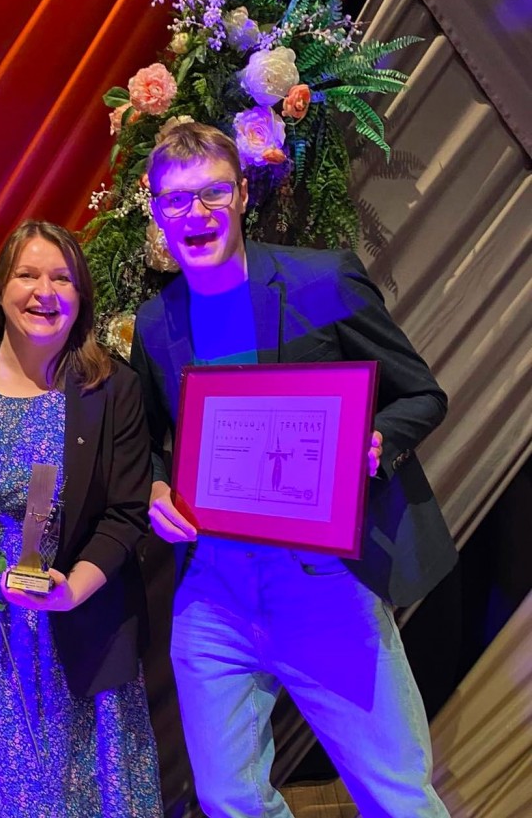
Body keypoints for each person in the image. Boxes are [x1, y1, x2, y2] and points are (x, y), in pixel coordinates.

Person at [130, 122, 458, 817]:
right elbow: (151, 443)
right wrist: (155, 485)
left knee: (396, 794)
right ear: (157, 211)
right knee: (228, 799)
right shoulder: (156, 323)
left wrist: (376, 439)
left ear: (244, 194)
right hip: (214, 595)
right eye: (177, 199)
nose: (196, 213)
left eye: (213, 192)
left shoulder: (322, 279)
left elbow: (422, 394)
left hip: (322, 584)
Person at [0, 220, 163, 817]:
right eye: (28, 275)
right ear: (0, 288)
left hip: (79, 617)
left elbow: (126, 513)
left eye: (62, 278)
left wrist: (72, 592)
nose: (45, 292)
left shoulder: (112, 386)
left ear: (82, 295)